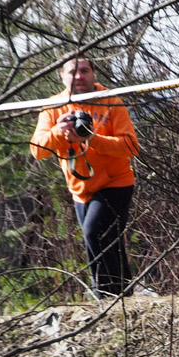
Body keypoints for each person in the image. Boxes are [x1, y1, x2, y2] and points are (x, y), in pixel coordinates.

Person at [29, 58, 139, 297]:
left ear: (93, 74)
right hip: (80, 190)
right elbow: (37, 150)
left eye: (85, 71)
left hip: (116, 182)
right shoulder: (53, 107)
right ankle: (124, 295)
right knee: (107, 241)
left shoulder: (110, 100)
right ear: (62, 76)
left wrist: (90, 138)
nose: (79, 76)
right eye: (73, 72)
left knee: (93, 233)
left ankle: (105, 296)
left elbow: (130, 146)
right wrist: (59, 131)